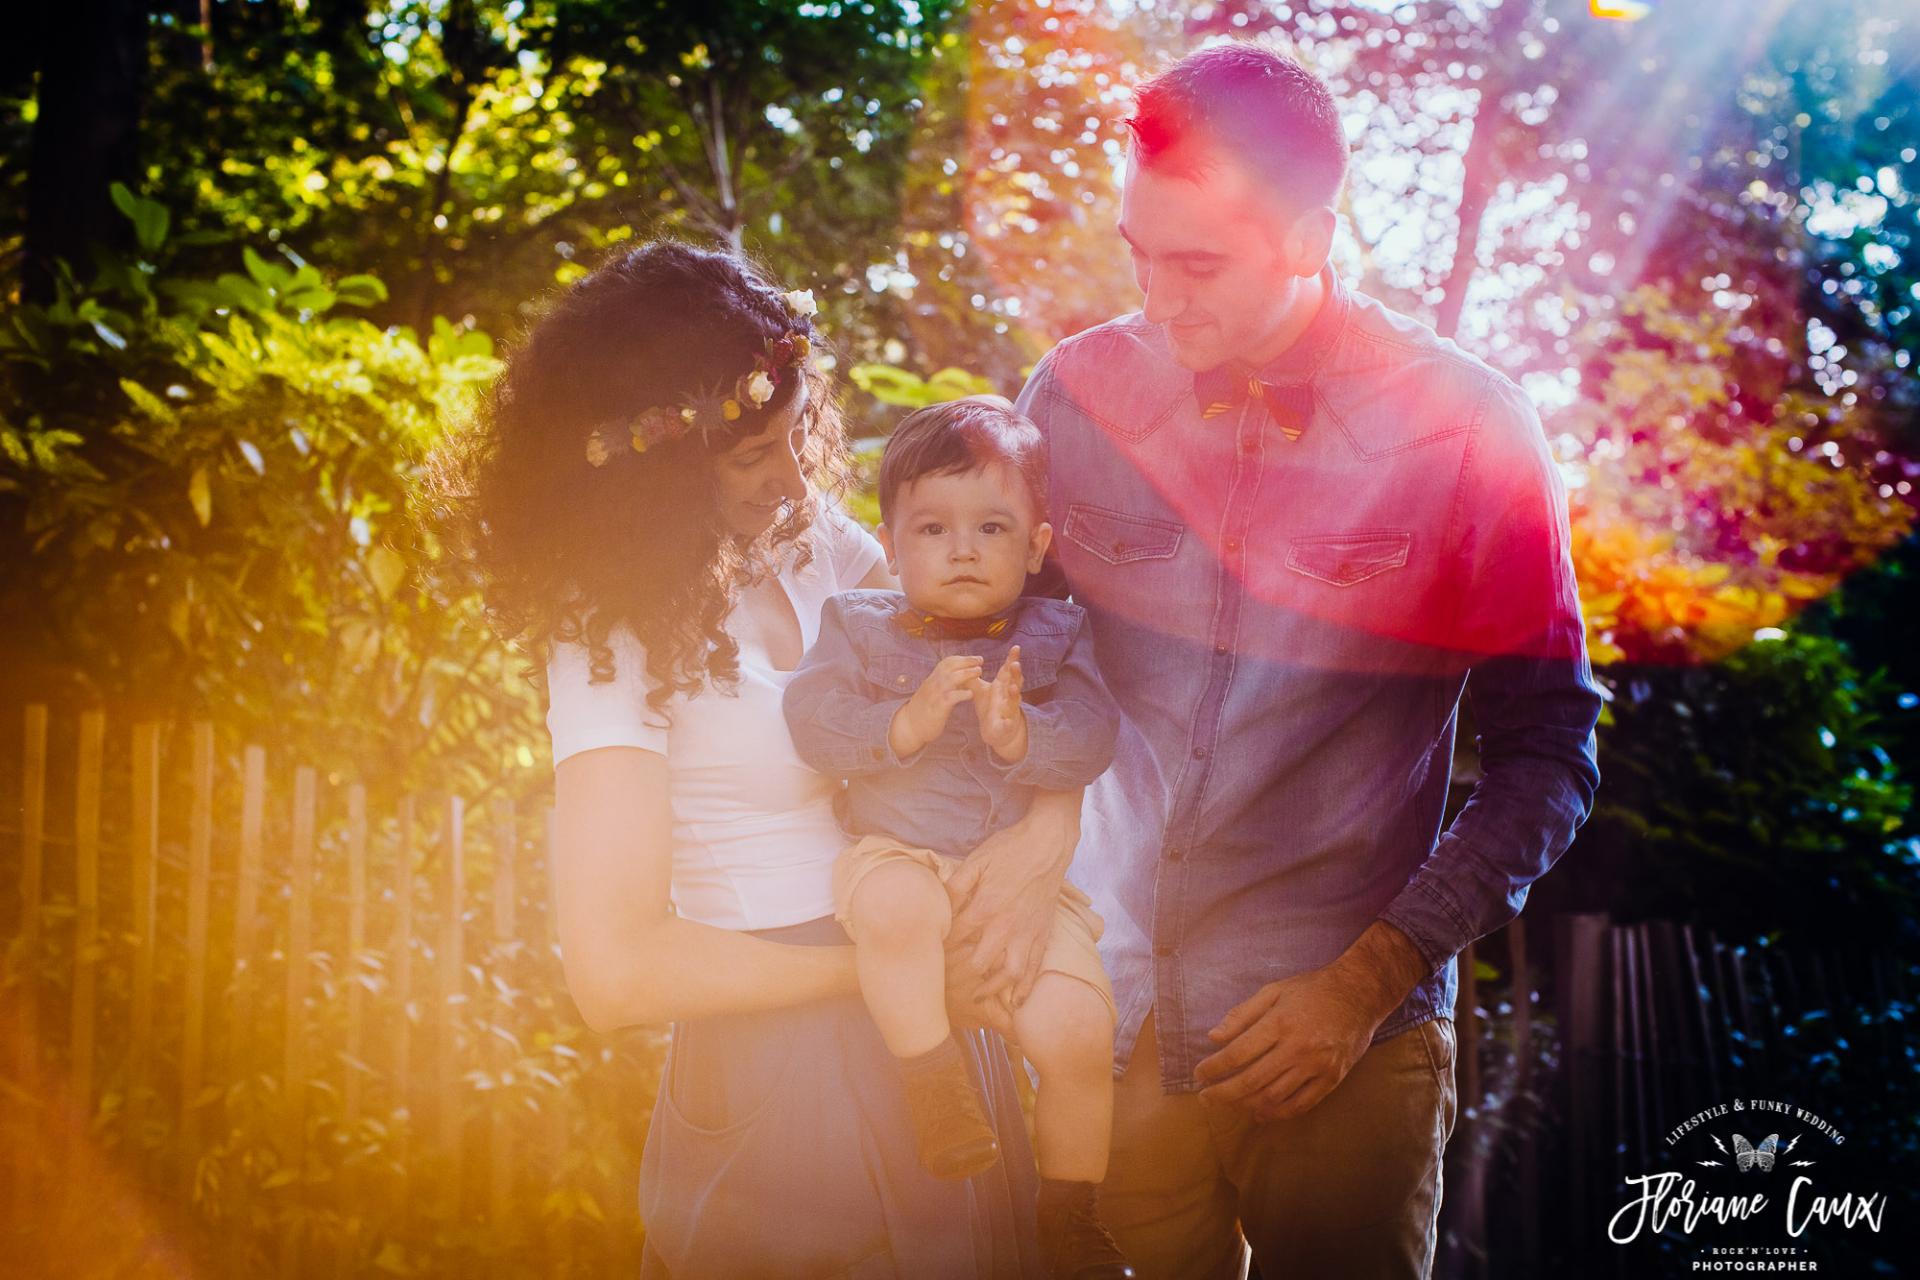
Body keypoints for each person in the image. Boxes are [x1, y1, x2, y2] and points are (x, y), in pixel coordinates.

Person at [980, 42, 1605, 1278]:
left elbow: (1550, 754)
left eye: (1198, 264)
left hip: (1345, 1053)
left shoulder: (1472, 430)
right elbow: (1011, 661)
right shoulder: (1075, 394)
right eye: (1138, 253)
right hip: (1098, 1031)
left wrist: (1368, 978)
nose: (1159, 299)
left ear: (1310, 237)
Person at [452, 241, 1072, 1277]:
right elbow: (614, 968)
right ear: (653, 474)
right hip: (782, 1066)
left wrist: (1042, 839)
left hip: (933, 1010)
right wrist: (877, 971)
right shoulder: (608, 637)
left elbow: (1005, 668)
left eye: (796, 438)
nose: (793, 480)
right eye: (752, 458)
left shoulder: (817, 539)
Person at [783, 397, 1133, 1280]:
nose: (964, 549)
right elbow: (813, 718)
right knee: (895, 914)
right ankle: (932, 1075)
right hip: (896, 852)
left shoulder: (1058, 635)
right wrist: (903, 724)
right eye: (933, 528)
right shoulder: (856, 625)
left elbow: (1094, 735)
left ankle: (1070, 1211)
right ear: (891, 545)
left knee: (1082, 1031)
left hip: (1022, 884)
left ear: (1038, 546)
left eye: (993, 527)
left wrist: (1025, 740)